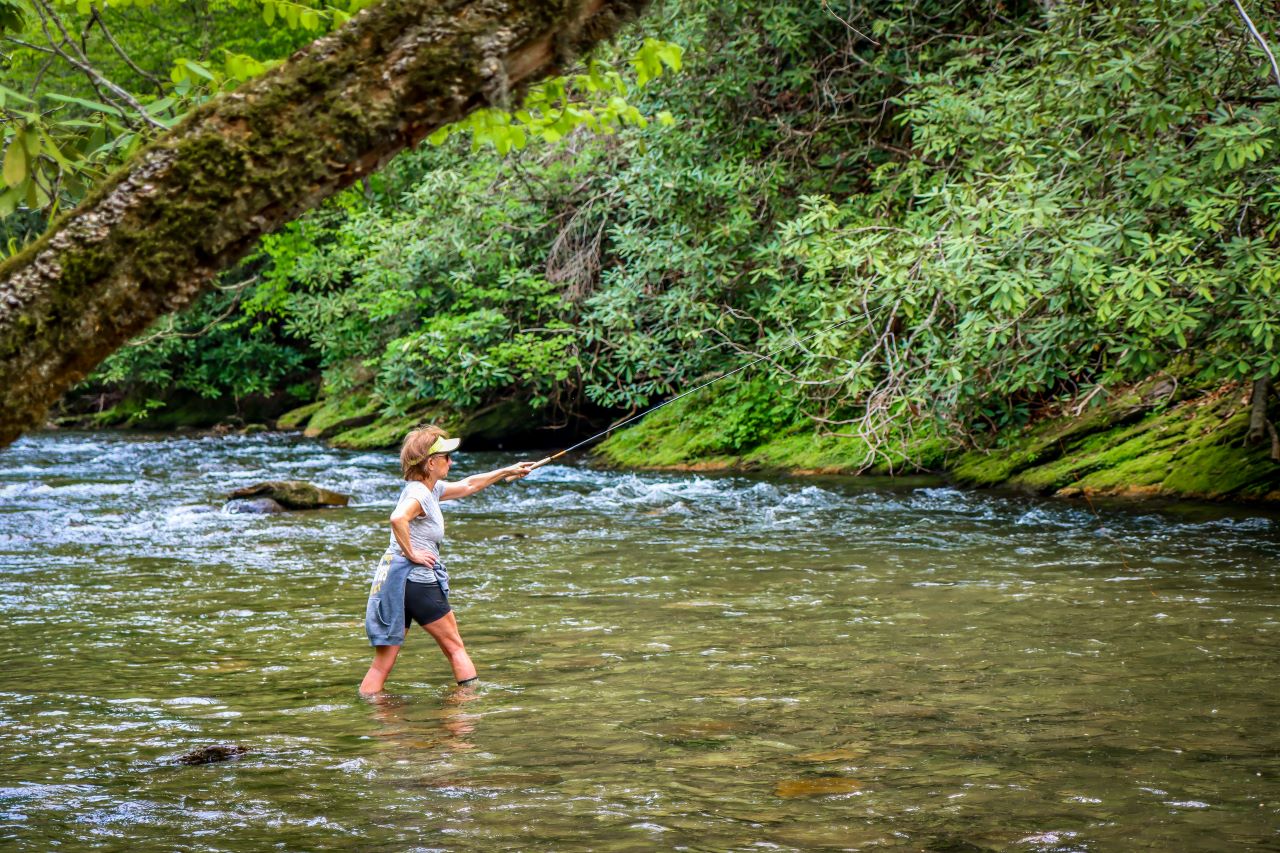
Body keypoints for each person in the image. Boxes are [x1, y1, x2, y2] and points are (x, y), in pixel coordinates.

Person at [360, 425, 533, 695]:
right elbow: (398, 519)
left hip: (393, 582)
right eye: (446, 457)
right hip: (417, 581)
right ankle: (467, 713)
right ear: (431, 463)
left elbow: (468, 485)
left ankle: (373, 714)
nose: (451, 462)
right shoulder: (419, 494)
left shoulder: (428, 488)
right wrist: (413, 553)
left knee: (382, 664)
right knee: (455, 648)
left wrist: (506, 471)